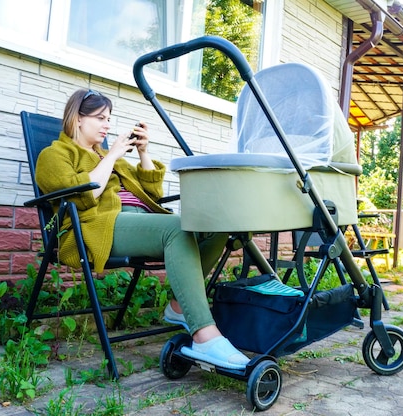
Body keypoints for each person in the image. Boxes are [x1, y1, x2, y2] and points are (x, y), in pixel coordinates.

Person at [35, 88, 250, 369]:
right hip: (98, 226)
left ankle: (177, 306)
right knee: (176, 228)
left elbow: (152, 192)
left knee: (215, 226)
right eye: (100, 118)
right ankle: (204, 336)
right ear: (77, 119)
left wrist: (143, 152)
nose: (107, 125)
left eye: (109, 118)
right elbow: (83, 195)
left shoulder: (111, 157)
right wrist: (110, 156)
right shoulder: (54, 155)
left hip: (139, 220)